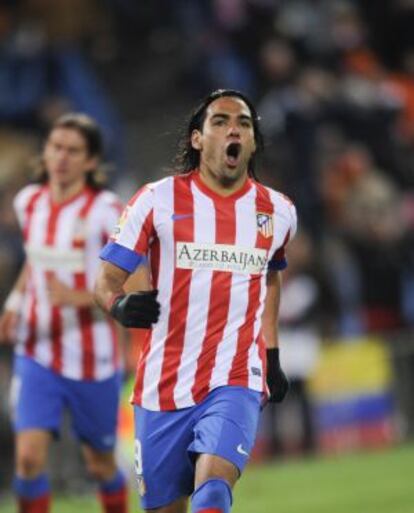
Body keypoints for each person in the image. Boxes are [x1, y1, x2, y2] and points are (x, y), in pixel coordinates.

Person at [94, 89, 297, 513]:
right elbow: (105, 278)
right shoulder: (156, 200)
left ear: (253, 141)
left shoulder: (278, 212)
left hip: (236, 376)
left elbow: (270, 277)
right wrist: (117, 306)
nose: (233, 130)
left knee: (212, 488)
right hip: (162, 386)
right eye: (220, 122)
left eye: (243, 122)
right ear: (197, 139)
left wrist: (271, 353)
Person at [0, 113, 128, 513]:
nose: (62, 157)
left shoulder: (108, 211)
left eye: (74, 151)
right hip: (37, 351)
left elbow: (133, 284)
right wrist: (15, 301)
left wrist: (79, 297)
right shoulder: (29, 203)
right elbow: (35, 263)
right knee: (28, 458)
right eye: (56, 147)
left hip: (94, 358)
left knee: (100, 464)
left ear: (91, 161)